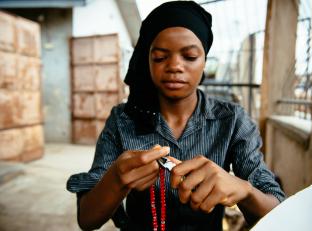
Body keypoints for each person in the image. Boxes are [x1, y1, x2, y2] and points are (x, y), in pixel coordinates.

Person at [66, 1, 285, 231]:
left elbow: (279, 213)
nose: (174, 66)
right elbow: (87, 220)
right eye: (160, 57)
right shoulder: (123, 121)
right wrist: (116, 180)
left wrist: (245, 190)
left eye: (189, 56)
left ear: (204, 61)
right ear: (146, 61)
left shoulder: (231, 120)